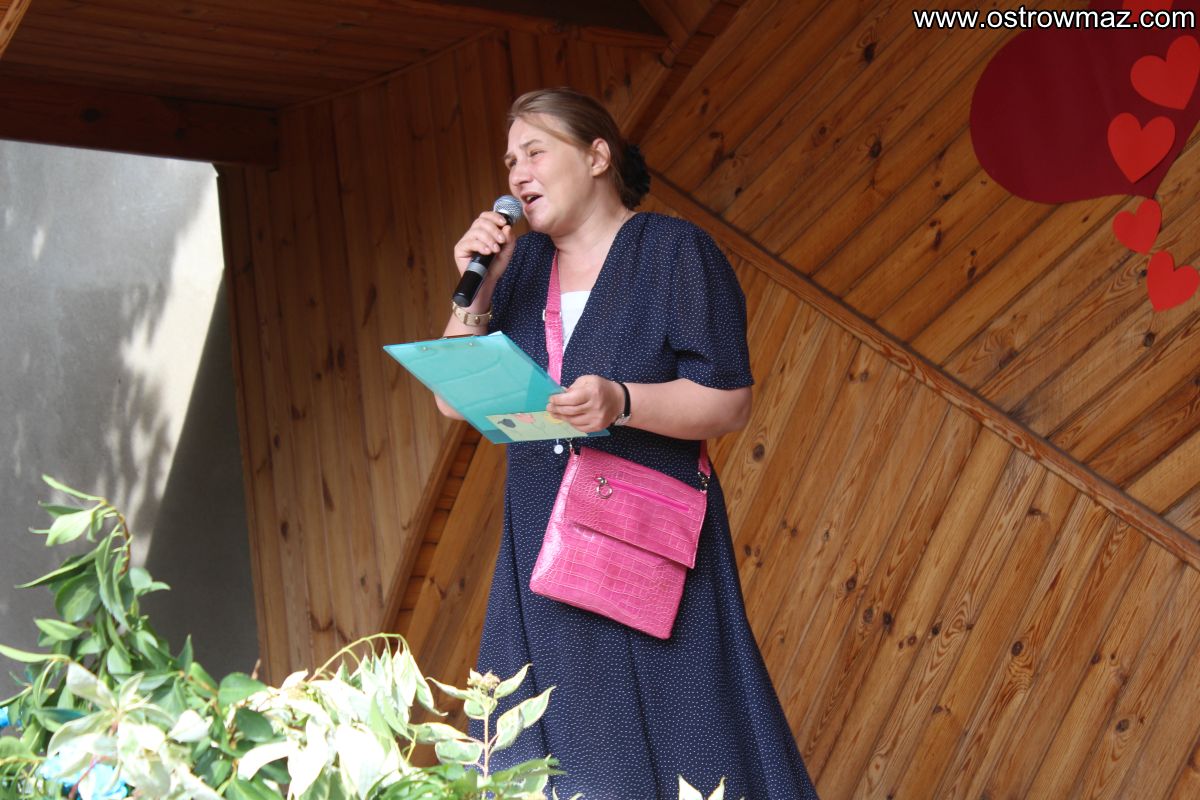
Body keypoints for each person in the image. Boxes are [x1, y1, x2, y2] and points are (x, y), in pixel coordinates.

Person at [436, 87, 819, 799]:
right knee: (547, 752)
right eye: (510, 160)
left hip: (647, 545)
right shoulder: (519, 266)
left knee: (692, 742)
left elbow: (729, 401)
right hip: (543, 548)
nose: (517, 172)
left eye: (535, 151)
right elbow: (453, 399)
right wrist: (478, 290)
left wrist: (623, 400)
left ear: (596, 156)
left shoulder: (675, 251)